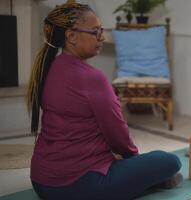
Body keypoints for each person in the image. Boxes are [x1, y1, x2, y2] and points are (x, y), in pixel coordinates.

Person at [26, 2, 182, 200]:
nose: (102, 37)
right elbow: (119, 135)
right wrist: (135, 165)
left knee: (132, 164)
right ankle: (149, 182)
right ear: (71, 36)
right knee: (169, 161)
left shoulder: (47, 69)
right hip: (77, 185)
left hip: (41, 181)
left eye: (101, 30)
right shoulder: (92, 78)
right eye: (95, 31)